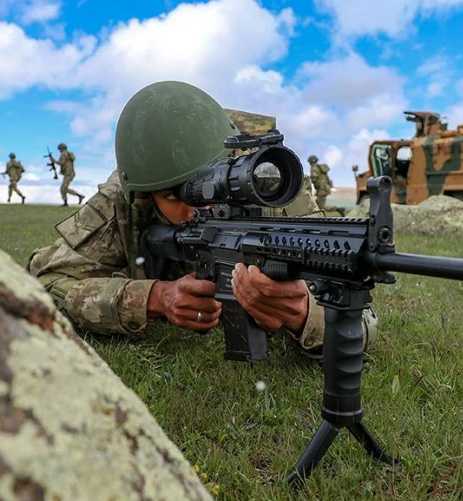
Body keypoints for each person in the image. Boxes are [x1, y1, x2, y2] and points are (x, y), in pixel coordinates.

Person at [25, 80, 377, 357]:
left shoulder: (269, 179)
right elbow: (44, 280)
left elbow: (362, 321)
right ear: (145, 192)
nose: (198, 208)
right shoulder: (130, 188)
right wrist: (153, 297)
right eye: (173, 196)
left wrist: (303, 314)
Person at [50, 142, 85, 207]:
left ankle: (78, 197)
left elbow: (61, 163)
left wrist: (53, 159)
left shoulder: (64, 154)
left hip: (68, 173)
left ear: (62, 148)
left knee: (63, 189)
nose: (59, 151)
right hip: (70, 173)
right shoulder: (69, 154)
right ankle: (70, 200)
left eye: (59, 149)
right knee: (64, 189)